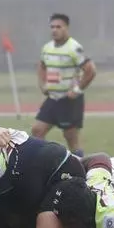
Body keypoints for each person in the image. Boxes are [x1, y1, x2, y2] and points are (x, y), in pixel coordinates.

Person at [31, 13, 96, 157]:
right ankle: (42, 162)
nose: (54, 30)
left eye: (58, 27)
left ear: (66, 28)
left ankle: (80, 165)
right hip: (53, 98)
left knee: (70, 137)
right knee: (37, 130)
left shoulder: (74, 48)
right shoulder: (47, 48)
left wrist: (77, 90)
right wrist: (42, 84)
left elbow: (90, 70)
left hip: (69, 101)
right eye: (52, 27)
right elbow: (41, 66)